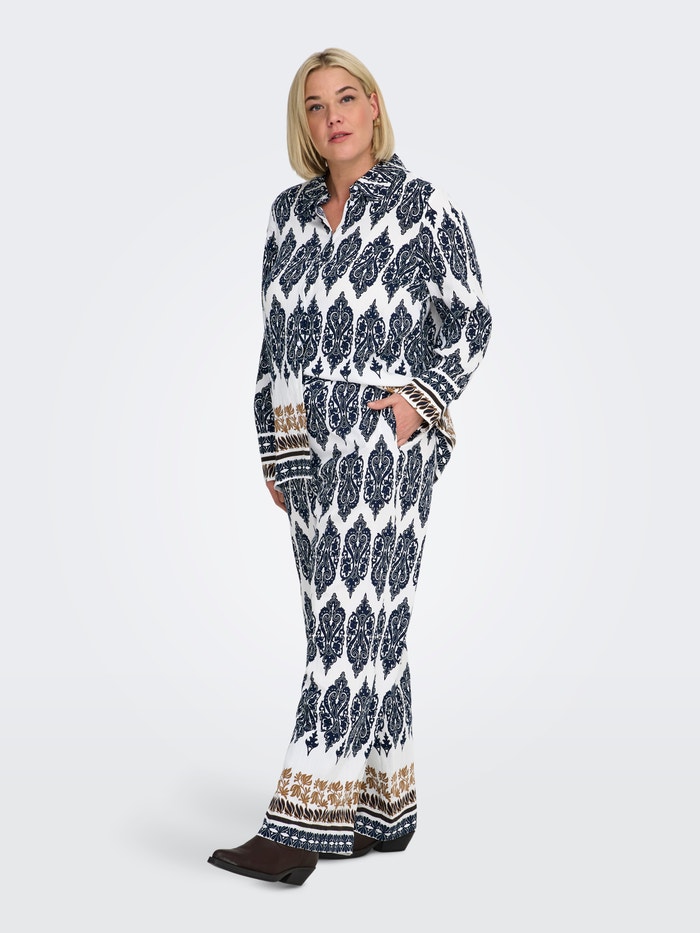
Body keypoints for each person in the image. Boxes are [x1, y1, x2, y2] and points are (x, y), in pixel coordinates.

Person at [208, 47, 492, 886]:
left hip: (383, 442)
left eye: (345, 98)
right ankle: (381, 807)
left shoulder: (423, 206)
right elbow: (275, 336)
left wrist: (416, 402)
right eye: (315, 105)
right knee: (357, 627)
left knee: (349, 627)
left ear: (373, 106)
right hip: (304, 438)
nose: (332, 116)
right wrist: (275, 442)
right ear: (305, 123)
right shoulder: (288, 214)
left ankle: (299, 827)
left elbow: (471, 318)